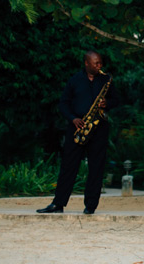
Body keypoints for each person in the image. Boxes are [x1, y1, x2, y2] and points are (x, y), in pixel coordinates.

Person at [36, 51, 119, 215]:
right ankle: (58, 204)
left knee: (96, 168)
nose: (99, 66)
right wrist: (73, 119)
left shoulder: (105, 80)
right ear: (86, 63)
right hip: (78, 127)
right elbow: (63, 104)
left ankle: (90, 206)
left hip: (99, 128)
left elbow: (117, 100)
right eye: (96, 63)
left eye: (100, 62)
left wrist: (106, 103)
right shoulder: (74, 80)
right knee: (68, 166)